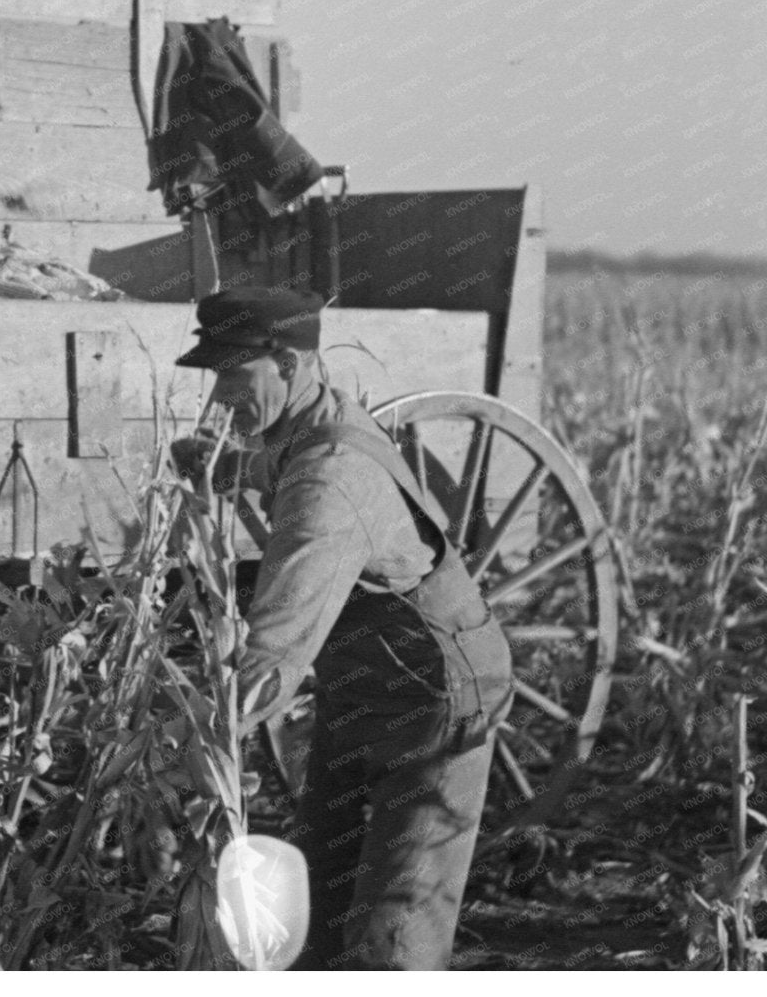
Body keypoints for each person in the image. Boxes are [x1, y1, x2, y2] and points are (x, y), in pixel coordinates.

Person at [170, 286, 514, 971]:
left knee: (393, 936)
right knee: (313, 908)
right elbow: (278, 459)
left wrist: (180, 749)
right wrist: (222, 469)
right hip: (360, 687)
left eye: (233, 376)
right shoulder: (311, 419)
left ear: (290, 362)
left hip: (434, 701)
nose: (217, 399)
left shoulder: (328, 484)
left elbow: (271, 659)